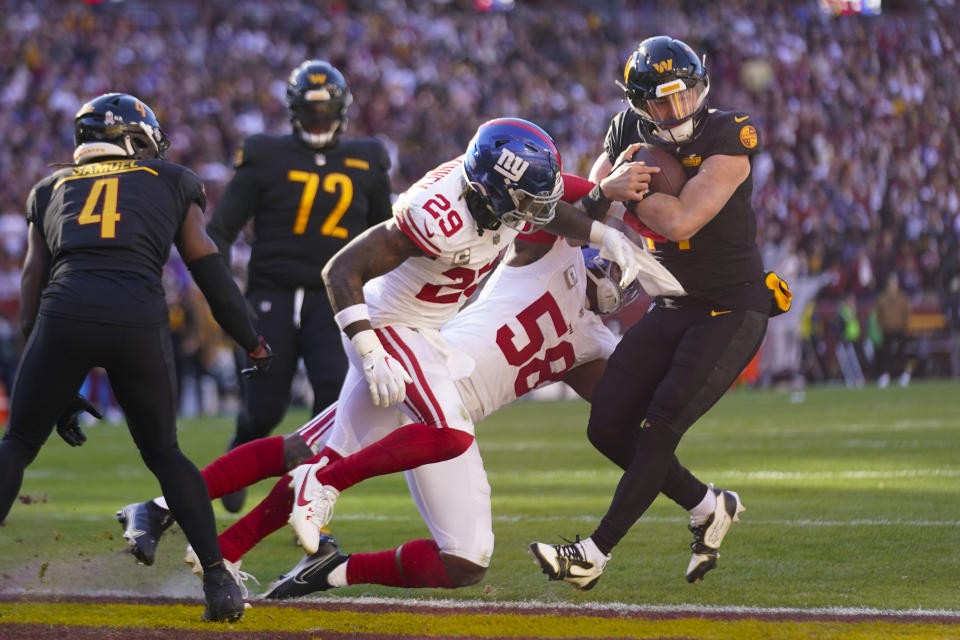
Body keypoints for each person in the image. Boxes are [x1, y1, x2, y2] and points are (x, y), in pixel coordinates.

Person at [116, 202, 650, 594]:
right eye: (608, 260)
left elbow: (623, 406)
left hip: (444, 407)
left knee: (464, 560)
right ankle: (184, 521)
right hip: (423, 367)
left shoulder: (599, 342)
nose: (609, 275)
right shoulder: (550, 255)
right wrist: (607, 199)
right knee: (313, 459)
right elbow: (551, 196)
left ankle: (318, 567)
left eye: (621, 274)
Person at [284, 117, 647, 557]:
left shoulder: (496, 195)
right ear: (498, 191)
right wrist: (370, 349)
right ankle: (319, 485)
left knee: (317, 443)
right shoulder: (438, 215)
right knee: (436, 436)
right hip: (388, 325)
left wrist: (603, 223)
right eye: (527, 201)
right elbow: (341, 270)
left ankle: (223, 543)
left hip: (426, 333)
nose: (536, 212)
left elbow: (552, 210)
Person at [0, 93, 273, 622]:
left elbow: (32, 289)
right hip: (136, 316)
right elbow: (209, 273)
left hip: (64, 313)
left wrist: (48, 377)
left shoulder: (49, 187)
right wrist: (252, 339)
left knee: (17, 445)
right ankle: (217, 581)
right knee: (165, 454)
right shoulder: (169, 179)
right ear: (134, 138)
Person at [529, 35, 773, 590]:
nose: (674, 110)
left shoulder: (730, 132)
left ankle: (593, 552)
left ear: (700, 87)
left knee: (661, 422)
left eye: (683, 96)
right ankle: (709, 506)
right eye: (660, 102)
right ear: (639, 104)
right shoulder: (624, 131)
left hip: (732, 304)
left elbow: (683, 220)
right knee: (607, 423)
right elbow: (590, 200)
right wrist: (608, 188)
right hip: (671, 302)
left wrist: (625, 191)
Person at [206, 60, 393, 514]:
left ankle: (300, 490)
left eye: (326, 110)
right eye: (312, 111)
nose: (319, 120)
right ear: (293, 111)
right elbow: (220, 228)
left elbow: (385, 235)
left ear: (342, 110)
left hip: (334, 297)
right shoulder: (266, 155)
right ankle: (241, 447)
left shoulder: (366, 158)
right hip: (272, 292)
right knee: (265, 408)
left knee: (332, 393)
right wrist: (222, 285)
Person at [874, 273, 912, 388]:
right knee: (886, 354)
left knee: (902, 353)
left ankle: (904, 375)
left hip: (900, 330)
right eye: (891, 285)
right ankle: (885, 375)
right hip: (887, 330)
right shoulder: (882, 299)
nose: (893, 287)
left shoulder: (902, 298)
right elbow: (878, 314)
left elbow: (907, 314)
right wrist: (881, 326)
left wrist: (905, 326)